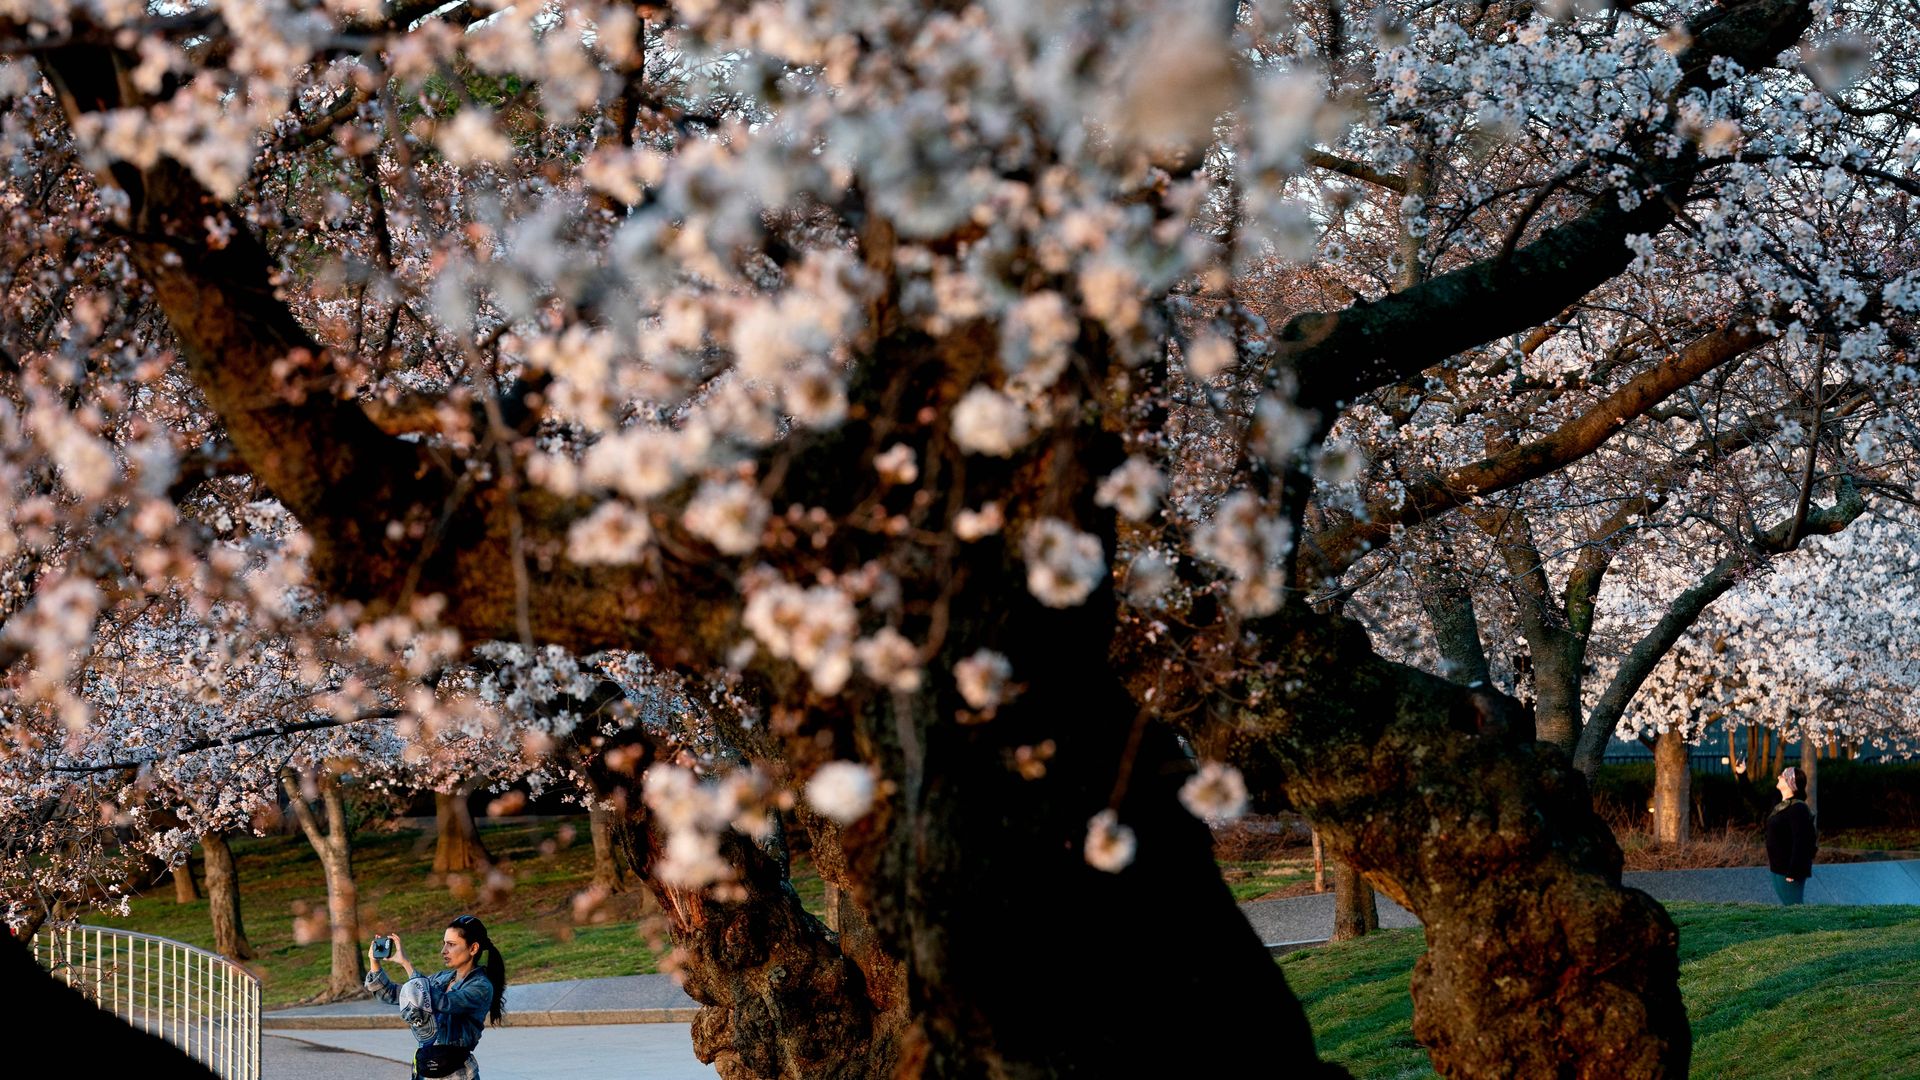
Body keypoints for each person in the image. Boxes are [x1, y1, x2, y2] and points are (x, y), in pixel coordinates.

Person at [366, 914, 507, 1079]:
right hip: (425, 1069)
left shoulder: (481, 986)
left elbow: (445, 1002)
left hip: (456, 1073)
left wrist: (407, 964)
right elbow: (393, 994)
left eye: (451, 945)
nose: (443, 951)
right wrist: (374, 963)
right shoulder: (440, 978)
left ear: (473, 948)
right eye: (444, 943)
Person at [1764, 765, 1817, 906]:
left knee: (1794, 906)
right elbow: (1754, 799)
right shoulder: (1780, 805)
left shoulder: (1798, 809)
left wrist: (1794, 871)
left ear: (1789, 782)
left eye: (1782, 775)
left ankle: (1805, 928)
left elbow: (1802, 842)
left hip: (1789, 870)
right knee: (1788, 906)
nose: (1778, 777)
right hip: (1777, 867)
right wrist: (1742, 774)